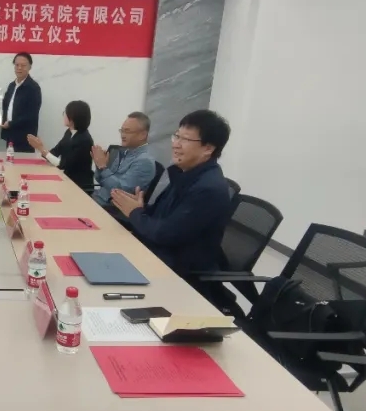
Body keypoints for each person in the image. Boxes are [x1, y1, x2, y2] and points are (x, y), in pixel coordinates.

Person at [109, 110, 233, 307]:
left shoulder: (208, 189)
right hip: (157, 258)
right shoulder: (186, 174)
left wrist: (135, 212)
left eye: (185, 139)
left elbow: (164, 233)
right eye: (177, 136)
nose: (176, 144)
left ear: (208, 148)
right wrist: (140, 208)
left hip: (178, 277)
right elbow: (162, 215)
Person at [92, 111, 160, 207]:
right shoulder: (126, 152)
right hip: (97, 199)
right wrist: (99, 165)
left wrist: (103, 167)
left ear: (143, 135)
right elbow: (101, 180)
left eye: (127, 131)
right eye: (122, 131)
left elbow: (119, 191)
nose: (123, 135)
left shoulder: (144, 161)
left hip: (109, 208)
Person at [26, 100, 95, 191]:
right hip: (66, 179)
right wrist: (41, 147)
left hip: (79, 185)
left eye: (65, 113)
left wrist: (41, 149)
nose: (63, 115)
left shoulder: (84, 140)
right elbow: (55, 151)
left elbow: (63, 164)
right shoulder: (69, 132)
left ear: (72, 118)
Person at [0, 52, 42, 153]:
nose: (19, 68)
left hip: (25, 138)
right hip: (10, 135)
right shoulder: (11, 86)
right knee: (10, 160)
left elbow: (31, 115)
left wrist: (11, 123)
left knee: (23, 162)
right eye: (17, 65)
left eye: (23, 65)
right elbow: (5, 106)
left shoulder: (33, 88)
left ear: (30, 67)